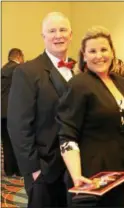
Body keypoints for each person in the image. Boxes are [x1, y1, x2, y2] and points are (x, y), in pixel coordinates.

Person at [56, 26, 124, 207]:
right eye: (92, 51)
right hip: (91, 175)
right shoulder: (79, 84)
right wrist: (76, 175)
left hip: (119, 171)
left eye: (104, 49)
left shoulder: (123, 83)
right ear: (84, 56)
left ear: (112, 52)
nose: (99, 55)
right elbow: (67, 134)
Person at [7, 12, 77, 208]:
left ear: (71, 35)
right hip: (45, 169)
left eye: (63, 30)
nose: (58, 35)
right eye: (52, 31)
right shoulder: (27, 72)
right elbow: (18, 126)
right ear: (43, 36)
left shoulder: (78, 71)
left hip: (75, 166)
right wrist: (34, 170)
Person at [1, 48, 24, 176]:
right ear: (19, 56)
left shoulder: (2, 70)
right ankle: (19, 170)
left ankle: (9, 170)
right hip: (13, 112)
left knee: (6, 142)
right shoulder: (19, 70)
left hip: (1, 113)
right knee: (18, 141)